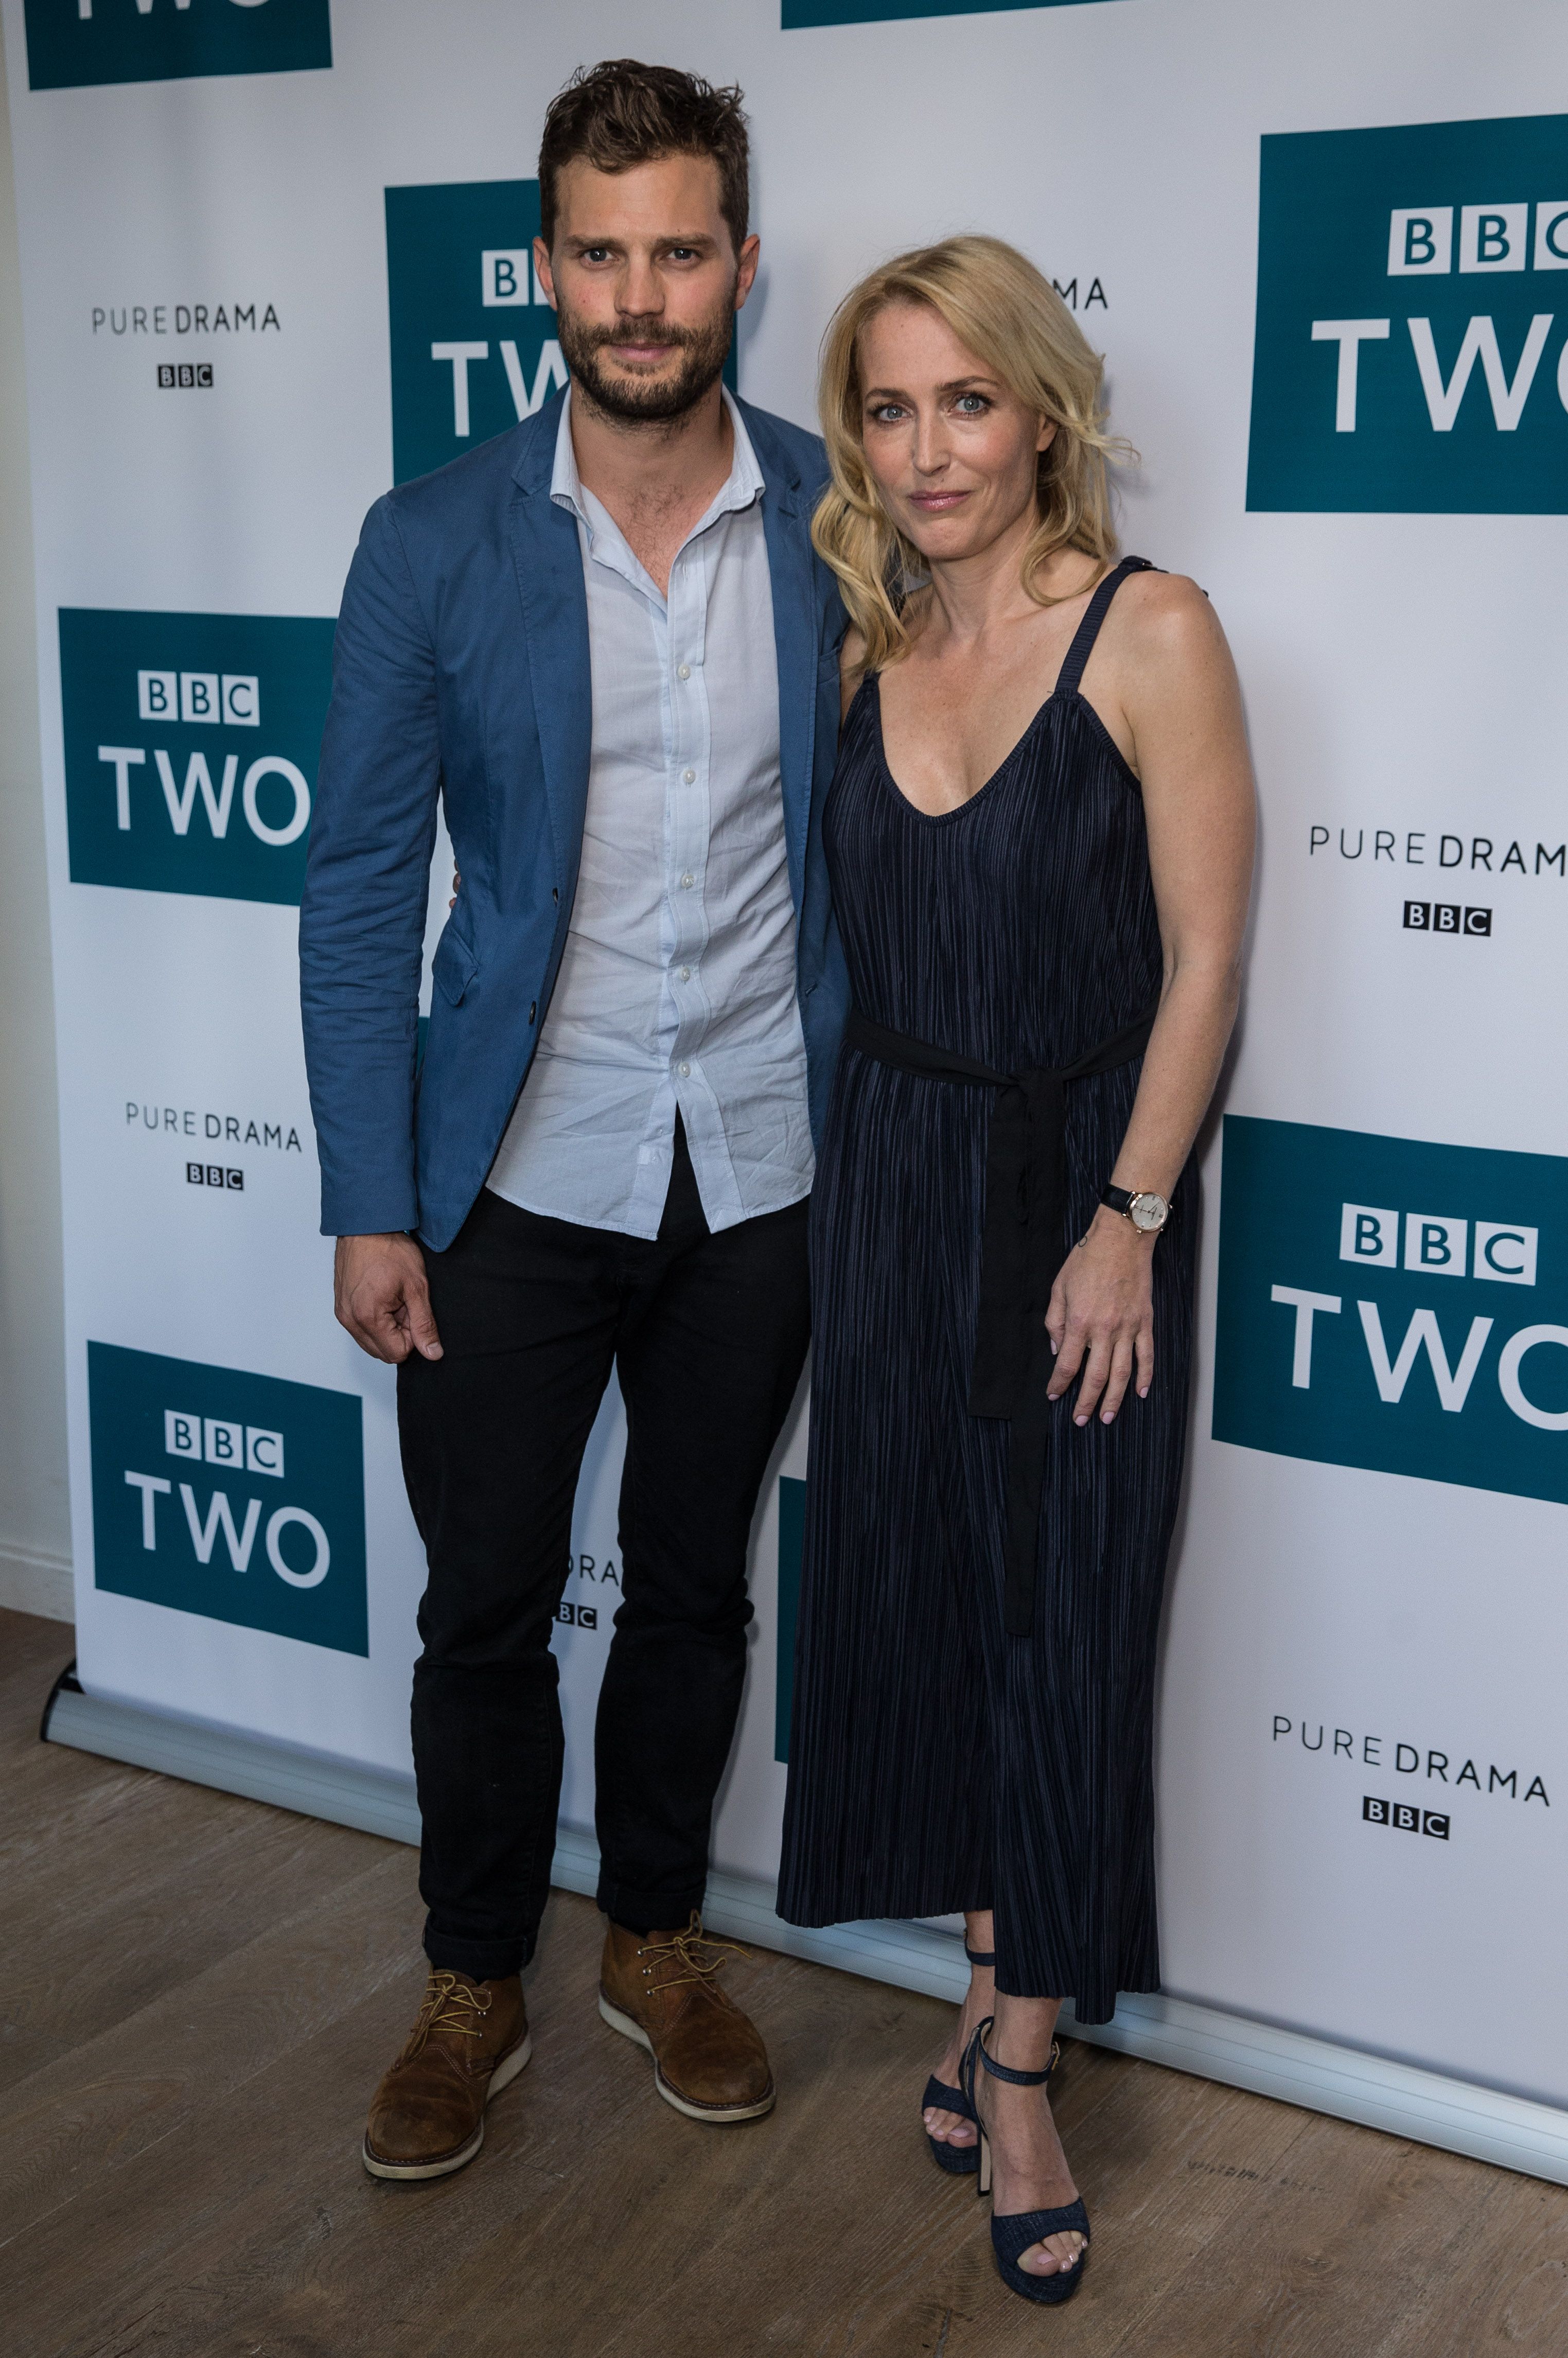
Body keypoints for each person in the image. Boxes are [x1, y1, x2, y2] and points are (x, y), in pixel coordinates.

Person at [299, 59, 847, 2181]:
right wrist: (370, 1195)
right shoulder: (430, 538)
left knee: (697, 1588)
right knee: (486, 1608)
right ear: (544, 267)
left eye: (678, 252)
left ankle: (654, 1940)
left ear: (741, 265)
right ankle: (471, 1979)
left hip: (764, 1163)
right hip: (509, 1172)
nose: (638, 298)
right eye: (601, 255)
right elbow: (362, 886)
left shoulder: (837, 516)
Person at [776, 237, 1255, 2304]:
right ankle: (983, 1978)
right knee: (931, 1602)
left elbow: (1207, 958)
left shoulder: (1153, 630)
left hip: (1078, 1192)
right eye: (888, 409)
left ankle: (1031, 2069)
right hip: (891, 1179)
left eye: (967, 401)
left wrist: (1129, 1221)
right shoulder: (863, 639)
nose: (929, 449)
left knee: (1065, 1620)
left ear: (1044, 411)